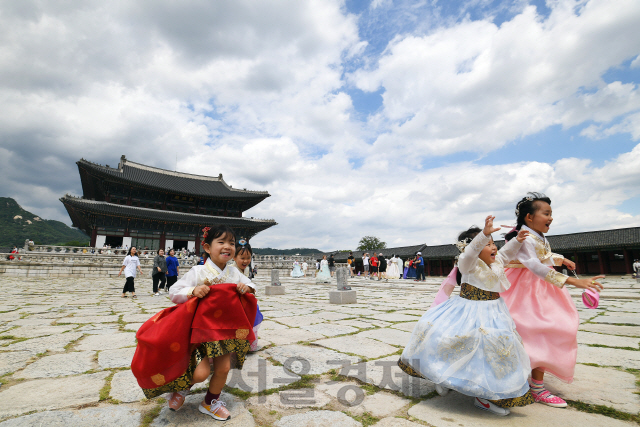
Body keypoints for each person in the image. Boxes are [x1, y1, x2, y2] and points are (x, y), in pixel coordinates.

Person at [399, 216, 534, 416]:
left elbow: (506, 252)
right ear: (475, 246)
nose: (494, 247)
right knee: (454, 343)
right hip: (468, 311)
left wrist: (518, 240)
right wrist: (484, 235)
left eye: (493, 243)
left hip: (494, 311)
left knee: (495, 350)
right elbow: (470, 252)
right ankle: (443, 377)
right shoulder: (468, 264)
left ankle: (485, 393)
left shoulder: (497, 262)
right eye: (487, 244)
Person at [133, 225, 257, 421]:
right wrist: (193, 291)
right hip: (198, 331)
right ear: (207, 248)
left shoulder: (235, 273)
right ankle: (181, 388)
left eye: (231, 243)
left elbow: (252, 285)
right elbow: (174, 291)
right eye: (221, 242)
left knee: (223, 369)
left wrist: (246, 287)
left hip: (224, 331)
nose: (227, 247)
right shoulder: (198, 271)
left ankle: (210, 401)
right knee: (200, 373)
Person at [501, 193, 604, 408]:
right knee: (534, 329)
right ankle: (532, 384)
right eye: (546, 213)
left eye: (551, 213)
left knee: (553, 328)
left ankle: (532, 381)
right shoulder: (523, 236)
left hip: (542, 288)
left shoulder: (536, 234)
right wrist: (575, 282)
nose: (551, 218)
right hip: (525, 289)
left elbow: (542, 255)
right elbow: (533, 264)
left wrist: (560, 259)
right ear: (529, 217)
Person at [234, 238, 263, 352]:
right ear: (234, 257)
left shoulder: (246, 270)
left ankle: (248, 344)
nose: (245, 261)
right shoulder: (231, 270)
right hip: (235, 303)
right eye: (242, 258)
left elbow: (251, 285)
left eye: (248, 258)